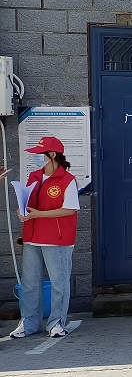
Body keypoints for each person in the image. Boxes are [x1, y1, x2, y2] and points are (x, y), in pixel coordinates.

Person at [8, 136, 79, 339]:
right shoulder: (34, 177)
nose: (36, 157)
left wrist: (39, 214)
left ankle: (56, 323)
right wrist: (22, 212)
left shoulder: (67, 180)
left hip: (57, 238)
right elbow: (29, 203)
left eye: (40, 154)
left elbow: (70, 209)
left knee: (59, 283)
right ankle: (29, 323)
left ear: (52, 155)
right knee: (30, 283)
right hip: (32, 236)